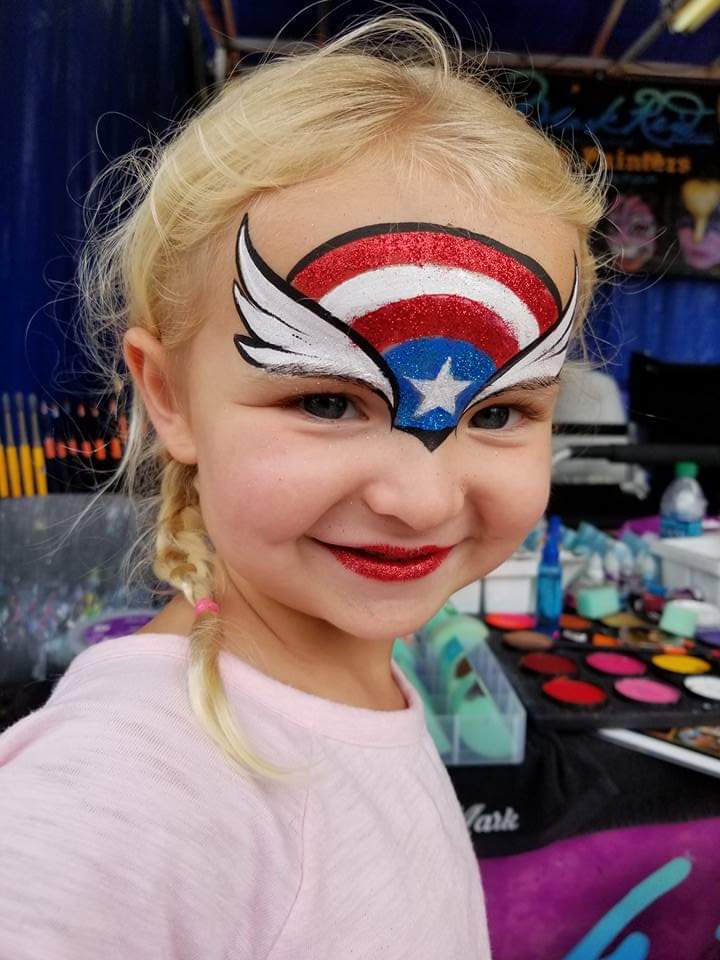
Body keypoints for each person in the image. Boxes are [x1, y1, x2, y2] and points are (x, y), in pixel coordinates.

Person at [0, 16, 604, 959]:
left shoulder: (352, 677)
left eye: (497, 414)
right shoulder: (131, 788)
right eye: (326, 402)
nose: (424, 498)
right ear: (169, 396)